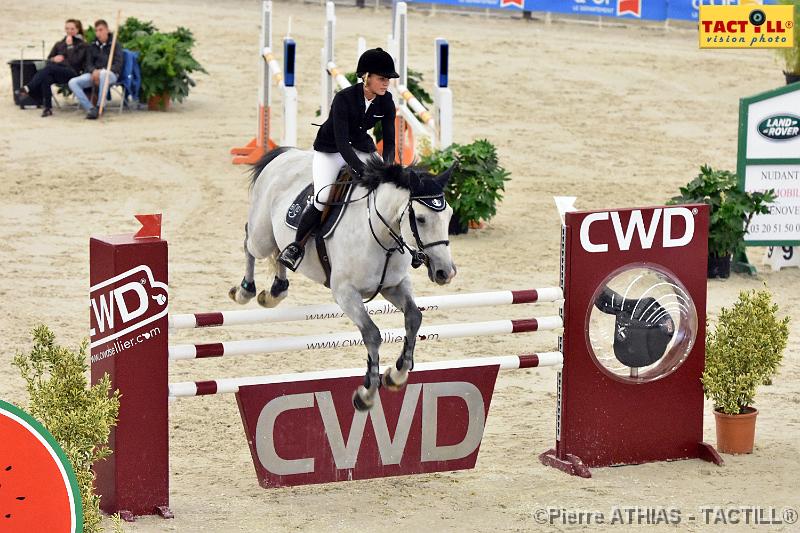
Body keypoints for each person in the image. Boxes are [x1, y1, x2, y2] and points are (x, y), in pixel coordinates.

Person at [278, 47, 398, 271]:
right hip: (331, 150)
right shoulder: (344, 99)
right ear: (366, 77)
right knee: (323, 197)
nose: (386, 83)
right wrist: (361, 169)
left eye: (388, 79)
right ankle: (296, 247)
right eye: (382, 78)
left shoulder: (386, 101)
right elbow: (342, 144)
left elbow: (390, 142)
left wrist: (388, 167)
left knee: (388, 190)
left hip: (362, 146)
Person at [14, 19, 87, 117]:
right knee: (46, 77)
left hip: (72, 73)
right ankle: (47, 109)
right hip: (57, 72)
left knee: (49, 69)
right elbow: (48, 60)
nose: (69, 31)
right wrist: (54, 59)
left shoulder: (82, 45)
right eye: (67, 28)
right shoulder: (60, 44)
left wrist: (70, 46)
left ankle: (28, 88)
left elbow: (75, 61)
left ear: (77, 30)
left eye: (72, 29)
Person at [67, 19, 123, 120]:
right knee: (73, 82)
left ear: (107, 30)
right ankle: (91, 108)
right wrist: (93, 71)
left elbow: (118, 65)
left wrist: (101, 71)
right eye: (96, 30)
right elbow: (88, 63)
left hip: (111, 74)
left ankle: (100, 105)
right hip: (94, 74)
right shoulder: (93, 45)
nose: (98, 33)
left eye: (101, 30)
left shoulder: (115, 45)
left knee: (104, 74)